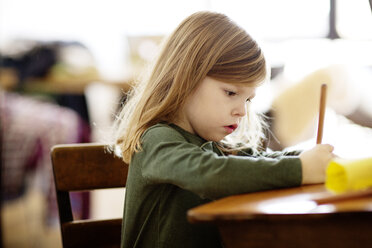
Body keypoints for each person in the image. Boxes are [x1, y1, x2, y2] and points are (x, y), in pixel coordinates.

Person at [111, 11, 334, 248]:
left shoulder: (210, 145)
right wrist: (301, 168)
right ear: (186, 77)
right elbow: (210, 175)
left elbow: (260, 160)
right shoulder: (156, 139)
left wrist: (311, 160)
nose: (242, 111)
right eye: (231, 93)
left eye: (247, 100)